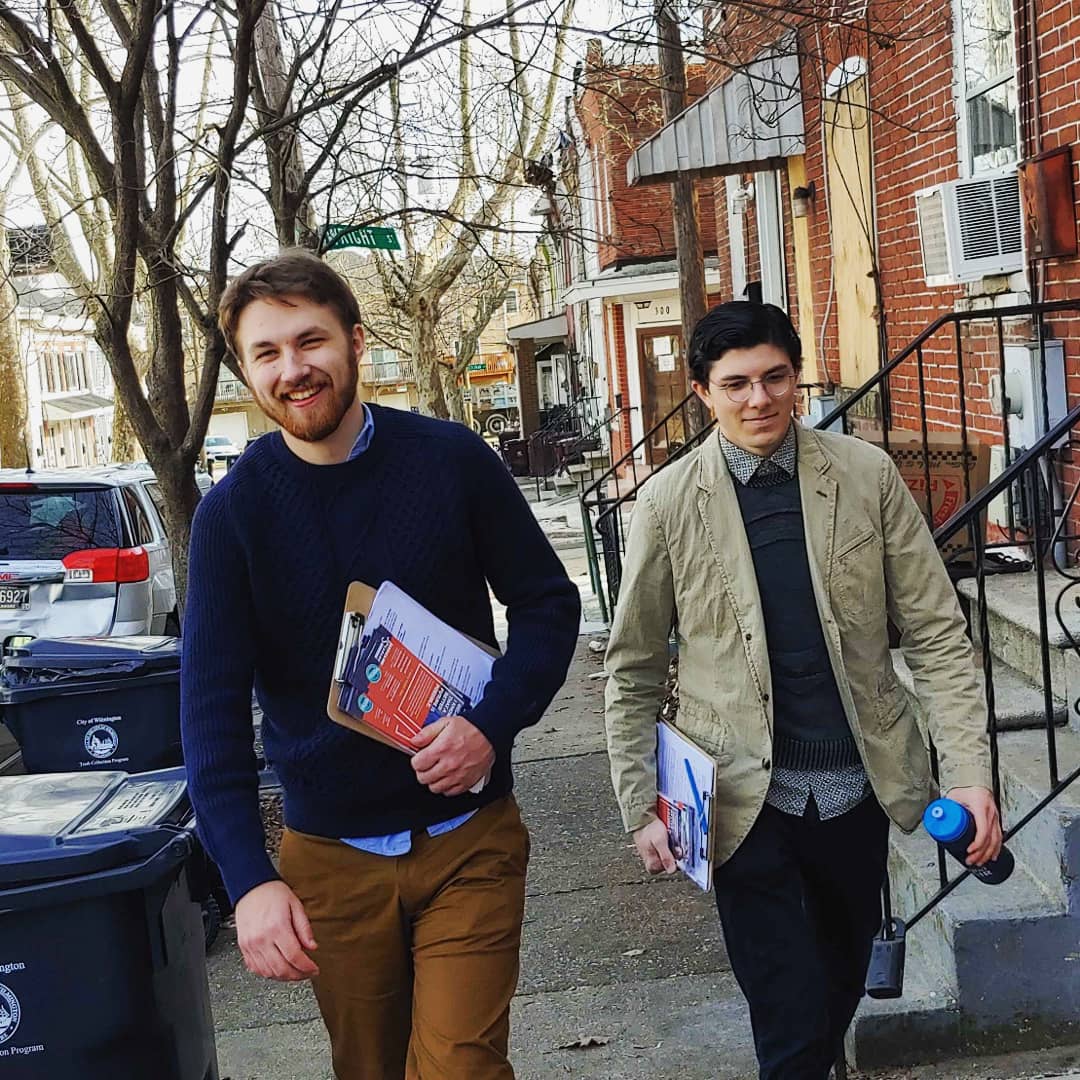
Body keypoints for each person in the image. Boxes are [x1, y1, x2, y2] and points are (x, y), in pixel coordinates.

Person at [181, 250, 580, 1080]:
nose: (293, 370)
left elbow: (548, 604)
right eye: (266, 353)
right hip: (330, 858)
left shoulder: (451, 460)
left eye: (310, 340)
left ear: (356, 341)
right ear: (246, 369)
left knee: (459, 1066)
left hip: (469, 838)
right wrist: (247, 881)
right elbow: (209, 715)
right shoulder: (232, 517)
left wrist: (490, 722)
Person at [603, 302, 1002, 1080]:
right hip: (741, 802)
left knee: (837, 992)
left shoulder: (864, 476)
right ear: (703, 393)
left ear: (797, 378)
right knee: (788, 1020)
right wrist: (639, 800)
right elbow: (635, 665)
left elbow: (937, 634)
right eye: (737, 384)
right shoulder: (667, 503)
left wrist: (968, 774)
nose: (760, 400)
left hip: (860, 788)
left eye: (776, 378)